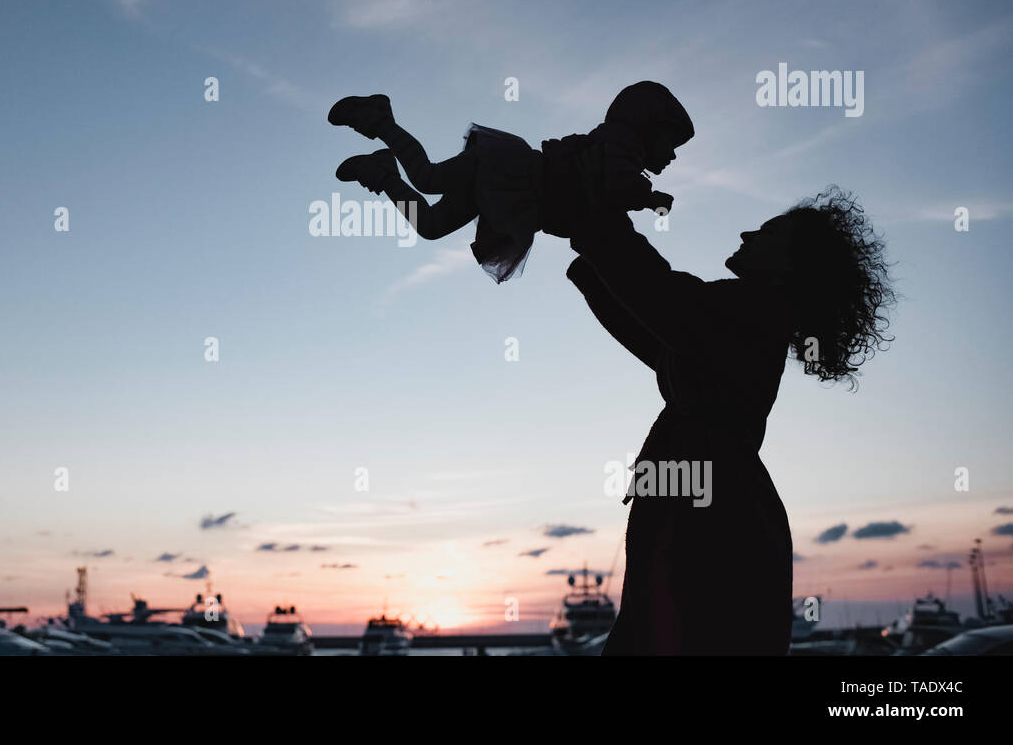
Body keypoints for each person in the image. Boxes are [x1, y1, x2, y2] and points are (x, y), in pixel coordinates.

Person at [566, 167, 895, 655]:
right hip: (705, 494)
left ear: (789, 266)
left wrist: (598, 220)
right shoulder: (748, 319)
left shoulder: (753, 308)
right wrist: (593, 246)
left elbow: (666, 302)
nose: (746, 232)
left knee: (679, 632)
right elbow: (657, 334)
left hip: (708, 507)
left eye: (767, 232)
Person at [328, 81, 693, 282]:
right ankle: (379, 120)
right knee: (429, 177)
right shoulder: (621, 146)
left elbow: (603, 198)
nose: (672, 155)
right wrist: (652, 198)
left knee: (430, 226)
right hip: (508, 173)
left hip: (510, 195)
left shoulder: (620, 153)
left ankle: (383, 174)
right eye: (670, 143)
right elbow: (618, 183)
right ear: (648, 126)